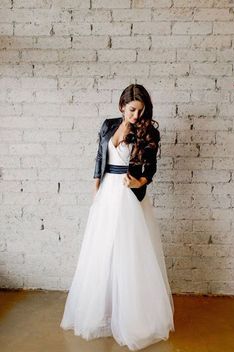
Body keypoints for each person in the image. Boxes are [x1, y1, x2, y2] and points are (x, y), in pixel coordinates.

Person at [60, 84, 175, 351]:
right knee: (101, 252)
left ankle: (134, 318)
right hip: (107, 194)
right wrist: (96, 183)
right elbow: (101, 154)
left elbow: (151, 166)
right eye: (132, 109)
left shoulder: (148, 130)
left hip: (128, 194)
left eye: (141, 110)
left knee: (130, 254)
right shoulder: (108, 125)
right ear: (122, 106)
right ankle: (104, 312)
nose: (136, 115)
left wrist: (140, 182)